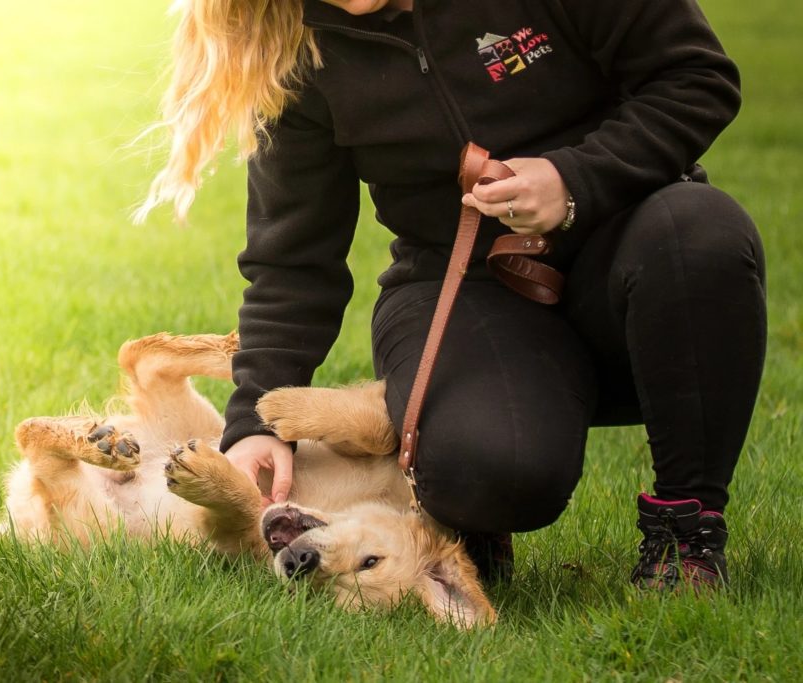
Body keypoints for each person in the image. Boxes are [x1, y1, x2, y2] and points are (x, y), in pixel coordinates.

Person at [138, 0, 766, 589]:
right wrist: (252, 421)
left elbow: (696, 76)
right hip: (460, 288)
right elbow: (293, 263)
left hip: (636, 250)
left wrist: (575, 178)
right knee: (489, 470)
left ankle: (685, 528)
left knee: (700, 231)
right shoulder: (292, 48)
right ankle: (470, 508)